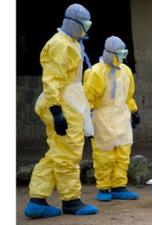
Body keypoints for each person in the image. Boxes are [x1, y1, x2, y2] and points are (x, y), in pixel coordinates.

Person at [24, 3, 98, 218]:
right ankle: (71, 200)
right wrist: (57, 110)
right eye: (84, 24)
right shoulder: (60, 44)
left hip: (69, 101)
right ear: (74, 23)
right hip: (62, 103)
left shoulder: (72, 42)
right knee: (68, 154)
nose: (87, 28)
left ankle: (37, 200)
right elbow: (52, 79)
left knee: (56, 154)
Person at [83, 36, 140, 202]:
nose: (123, 57)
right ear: (110, 53)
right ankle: (104, 187)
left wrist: (134, 111)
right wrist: (86, 124)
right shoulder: (95, 72)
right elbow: (88, 100)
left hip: (122, 117)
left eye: (125, 53)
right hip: (102, 118)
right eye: (120, 54)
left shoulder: (126, 71)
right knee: (104, 155)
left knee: (123, 153)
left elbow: (129, 95)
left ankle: (119, 186)